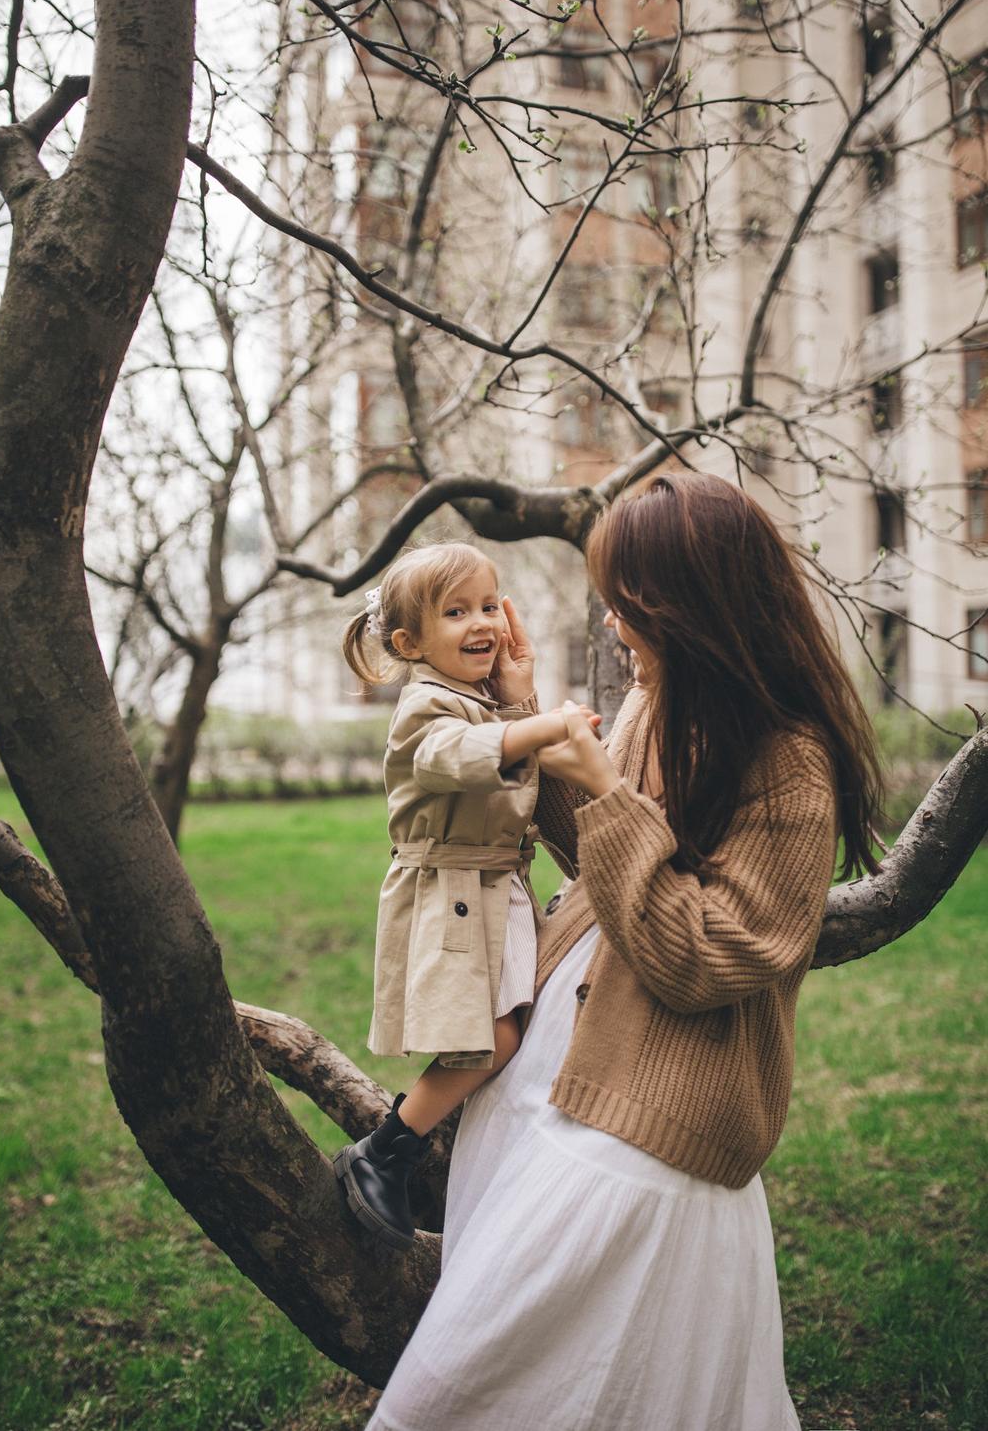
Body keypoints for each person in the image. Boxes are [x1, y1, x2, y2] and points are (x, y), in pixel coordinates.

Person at [366, 473, 882, 1431]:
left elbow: (700, 957)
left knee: (468, 1388)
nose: (610, 620)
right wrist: (529, 719)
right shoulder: (659, 698)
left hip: (653, 1107)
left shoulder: (790, 756)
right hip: (547, 1074)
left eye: (626, 599)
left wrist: (603, 787)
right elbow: (608, 864)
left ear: (688, 607)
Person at [335, 542, 593, 1249]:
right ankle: (386, 1150)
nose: (481, 622)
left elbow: (518, 761)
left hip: (495, 888)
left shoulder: (479, 698)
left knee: (514, 1029)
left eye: (487, 605)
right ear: (409, 642)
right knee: (492, 1036)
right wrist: (542, 724)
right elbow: (456, 756)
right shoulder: (426, 706)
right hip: (452, 894)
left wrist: (520, 700)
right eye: (456, 612)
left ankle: (432, 1154)